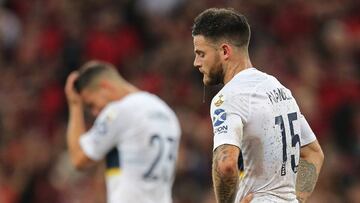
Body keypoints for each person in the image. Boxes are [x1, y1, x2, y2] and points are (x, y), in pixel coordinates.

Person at [192, 8, 324, 203]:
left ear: (225, 51)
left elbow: (226, 164)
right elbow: (313, 153)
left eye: (201, 53)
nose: (196, 62)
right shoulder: (280, 90)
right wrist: (297, 199)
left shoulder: (228, 98)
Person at [65, 60, 181, 203]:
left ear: (105, 87)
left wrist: (75, 104)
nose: (95, 113)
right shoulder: (167, 113)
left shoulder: (119, 111)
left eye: (92, 104)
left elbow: (79, 158)